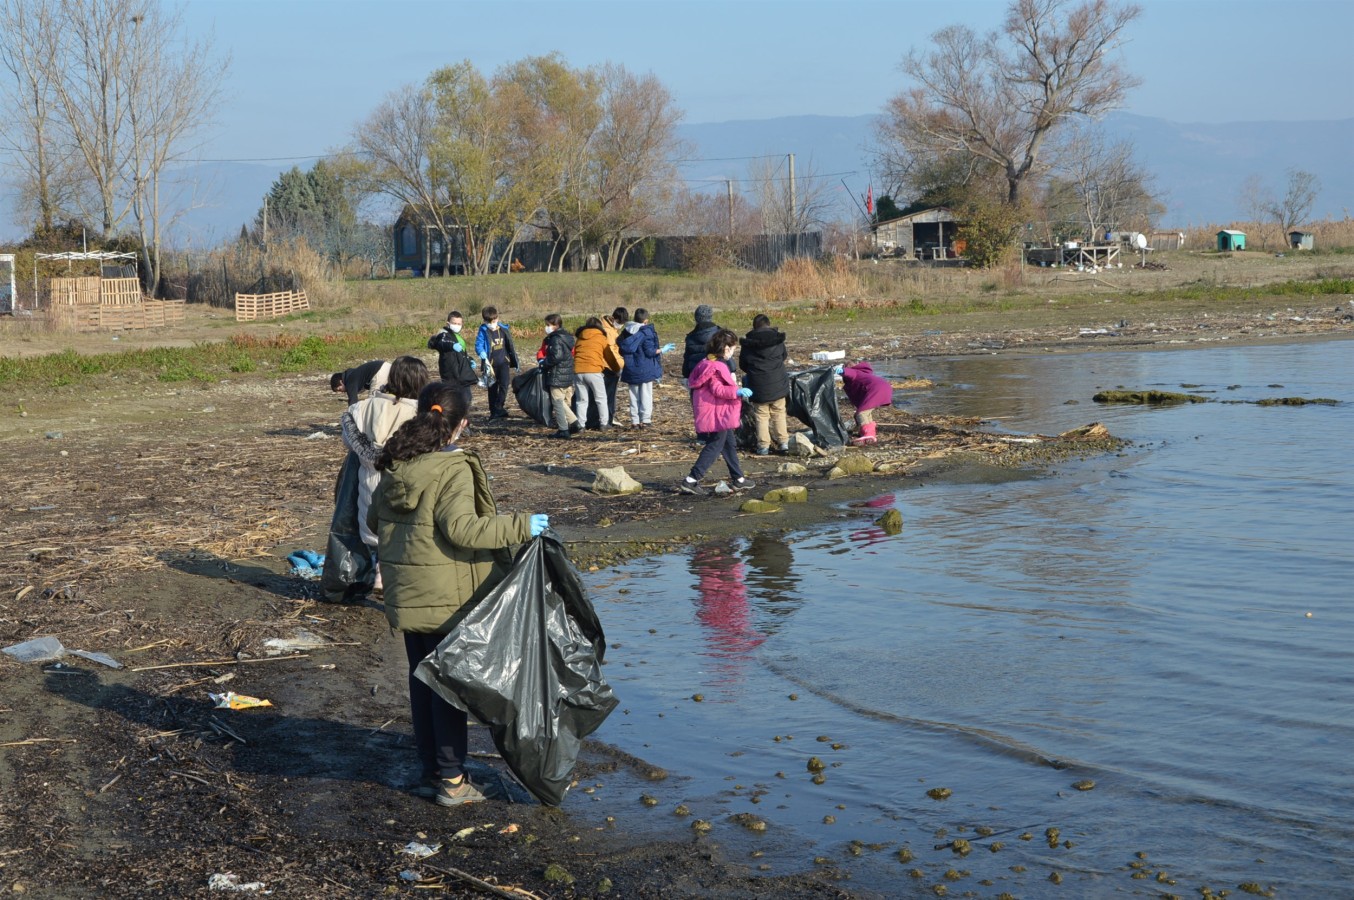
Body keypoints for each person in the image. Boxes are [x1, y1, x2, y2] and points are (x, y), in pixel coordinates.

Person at [368, 382, 549, 806]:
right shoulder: (453, 468)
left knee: (424, 684)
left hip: (408, 598)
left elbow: (375, 522)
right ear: (462, 424)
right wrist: (523, 525)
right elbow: (464, 530)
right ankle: (451, 781)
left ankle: (433, 770)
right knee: (448, 689)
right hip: (448, 601)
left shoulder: (398, 463)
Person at [340, 356, 431, 590]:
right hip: (404, 487)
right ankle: (394, 577)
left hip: (368, 485)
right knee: (404, 534)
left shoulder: (362, 408)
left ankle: (380, 574)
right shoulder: (420, 416)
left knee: (378, 535)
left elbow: (349, 440)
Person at [678, 329, 756, 495]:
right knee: (714, 445)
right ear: (726, 348)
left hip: (714, 411)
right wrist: (737, 392)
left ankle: (739, 479)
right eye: (733, 349)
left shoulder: (706, 362)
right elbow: (718, 390)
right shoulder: (717, 366)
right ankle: (691, 479)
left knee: (729, 444)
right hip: (717, 412)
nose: (733, 352)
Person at [738, 314, 791, 455]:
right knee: (779, 413)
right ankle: (783, 443)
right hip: (778, 384)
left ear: (754, 327)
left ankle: (763, 446)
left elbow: (743, 364)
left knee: (761, 416)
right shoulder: (778, 340)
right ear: (768, 324)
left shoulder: (748, 344)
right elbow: (784, 356)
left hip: (758, 385)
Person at [617, 308, 673, 428]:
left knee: (633, 396)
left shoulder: (625, 331)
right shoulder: (646, 332)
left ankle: (635, 421)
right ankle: (645, 420)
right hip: (645, 368)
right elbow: (650, 352)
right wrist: (663, 349)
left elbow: (622, 348)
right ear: (646, 320)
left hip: (631, 368)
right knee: (646, 394)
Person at [538, 313, 580, 439]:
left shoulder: (555, 339)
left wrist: (544, 363)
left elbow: (556, 357)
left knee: (558, 402)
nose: (546, 327)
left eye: (548, 325)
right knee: (564, 402)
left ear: (556, 325)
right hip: (567, 373)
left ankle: (565, 428)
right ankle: (572, 424)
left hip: (557, 374)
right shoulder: (567, 337)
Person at [573, 316, 620, 431]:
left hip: (578, 371)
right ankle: (604, 424)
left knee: (581, 400)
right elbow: (609, 356)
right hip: (593, 371)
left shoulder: (580, 338)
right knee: (601, 398)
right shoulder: (601, 338)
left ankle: (581, 425)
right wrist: (616, 369)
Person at [474, 306, 519, 420]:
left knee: (504, 385)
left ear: (497, 318)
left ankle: (499, 407)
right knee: (492, 388)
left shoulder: (503, 329)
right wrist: (482, 353)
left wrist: (515, 361)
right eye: (489, 322)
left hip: (504, 362)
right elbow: (478, 345)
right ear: (485, 321)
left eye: (494, 321)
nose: (492, 324)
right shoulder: (483, 331)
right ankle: (493, 412)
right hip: (491, 364)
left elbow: (510, 345)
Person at [427, 311, 478, 411]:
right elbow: (441, 343)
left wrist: (469, 361)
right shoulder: (444, 334)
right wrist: (451, 346)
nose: (457, 325)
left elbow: (462, 354)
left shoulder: (459, 338)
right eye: (454, 323)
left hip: (461, 373)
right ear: (448, 323)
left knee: (467, 398)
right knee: (451, 399)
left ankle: (461, 419)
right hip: (450, 373)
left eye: (459, 324)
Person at [839, 361, 892, 445]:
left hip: (875, 390)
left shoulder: (854, 372)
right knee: (866, 412)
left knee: (861, 413)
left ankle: (869, 434)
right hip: (884, 387)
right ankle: (867, 432)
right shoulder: (863, 374)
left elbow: (848, 372)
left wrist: (839, 370)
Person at [681, 304, 730, 384]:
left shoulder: (690, 337)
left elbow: (687, 358)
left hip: (696, 377)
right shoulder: (720, 335)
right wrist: (731, 370)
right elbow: (727, 356)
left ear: (696, 318)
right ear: (711, 317)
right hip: (717, 376)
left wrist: (686, 375)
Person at [599, 307, 628, 424]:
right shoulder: (609, 332)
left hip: (604, 365)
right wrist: (620, 366)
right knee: (608, 395)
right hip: (608, 367)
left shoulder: (607, 327)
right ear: (614, 319)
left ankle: (606, 417)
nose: (620, 325)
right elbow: (612, 352)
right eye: (620, 323)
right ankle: (608, 418)